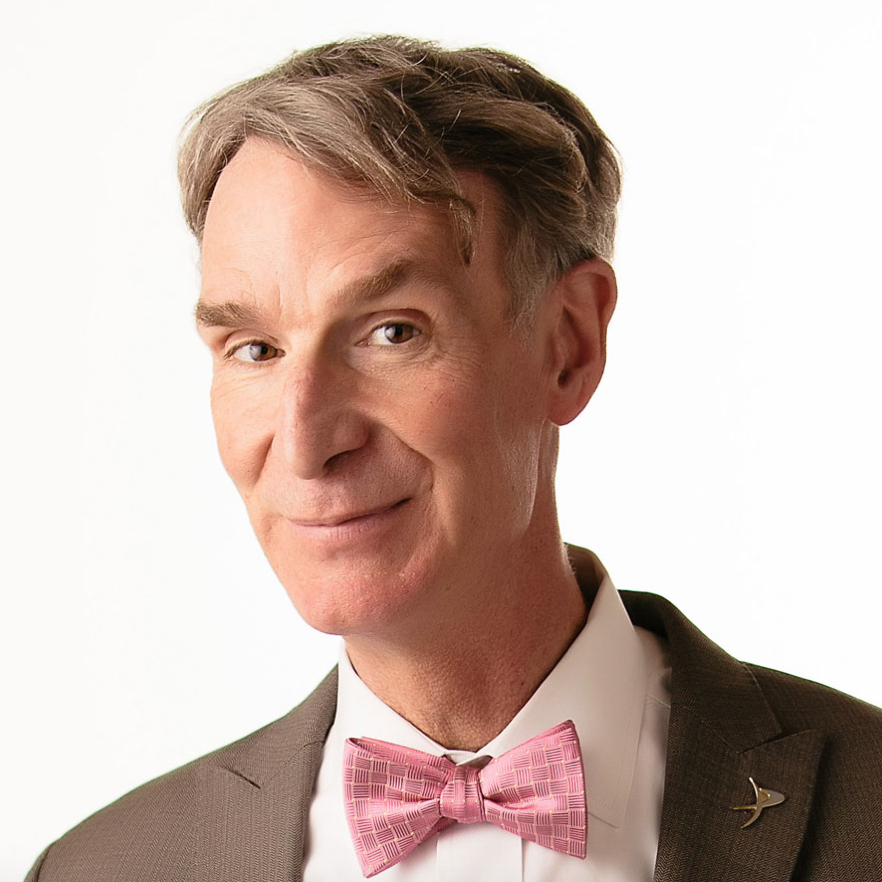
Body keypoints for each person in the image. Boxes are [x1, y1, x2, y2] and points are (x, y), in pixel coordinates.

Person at [25, 35, 882, 882]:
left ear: (569, 344)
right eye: (255, 349)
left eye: (392, 332)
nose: (306, 442)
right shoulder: (99, 869)